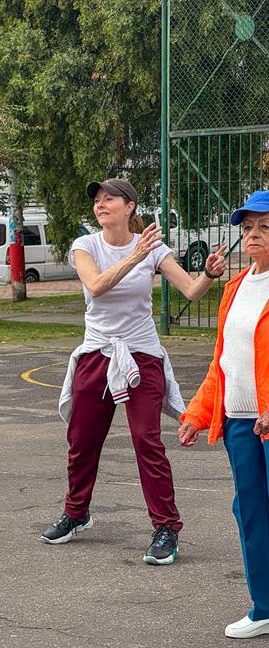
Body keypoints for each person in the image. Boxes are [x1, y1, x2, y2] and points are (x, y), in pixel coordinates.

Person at [43, 177, 227, 565]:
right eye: (97, 198)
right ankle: (76, 513)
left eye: (110, 198)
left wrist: (209, 274)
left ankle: (166, 528)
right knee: (82, 440)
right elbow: (96, 287)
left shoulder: (153, 248)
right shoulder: (85, 246)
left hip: (141, 356)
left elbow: (191, 291)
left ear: (129, 206)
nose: (100, 203)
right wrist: (135, 255)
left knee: (147, 440)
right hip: (97, 354)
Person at [178, 190, 269, 639]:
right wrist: (198, 413)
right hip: (239, 421)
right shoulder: (234, 288)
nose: (252, 235)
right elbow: (223, 361)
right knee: (250, 511)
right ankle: (264, 606)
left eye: (264, 228)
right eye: (248, 227)